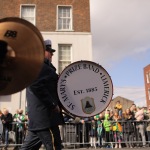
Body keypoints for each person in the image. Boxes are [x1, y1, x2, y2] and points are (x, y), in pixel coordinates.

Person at [20, 39, 64, 150]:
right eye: (49, 51)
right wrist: (53, 104)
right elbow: (36, 85)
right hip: (45, 118)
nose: (52, 54)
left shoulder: (42, 67)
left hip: (41, 119)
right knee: (55, 146)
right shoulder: (40, 66)